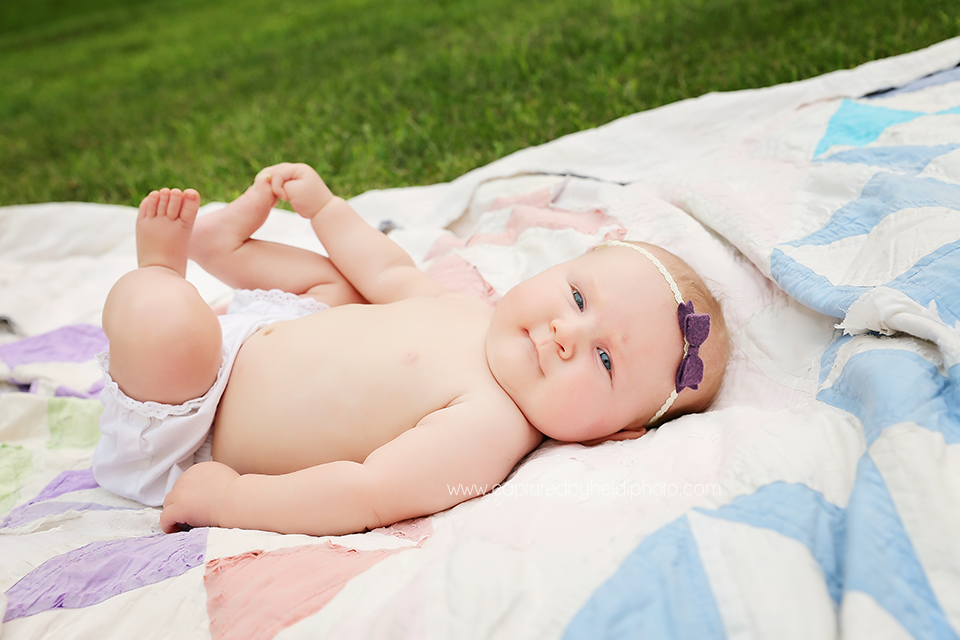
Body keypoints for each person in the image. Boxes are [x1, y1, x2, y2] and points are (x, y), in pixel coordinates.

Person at [91, 163, 728, 537]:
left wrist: (230, 502)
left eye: (606, 361)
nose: (567, 333)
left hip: (194, 408)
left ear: (617, 434)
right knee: (340, 285)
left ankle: (161, 271)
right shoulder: (474, 313)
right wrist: (325, 208)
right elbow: (389, 270)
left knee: (167, 322)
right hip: (266, 329)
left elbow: (365, 492)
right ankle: (223, 251)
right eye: (578, 300)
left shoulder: (488, 431)